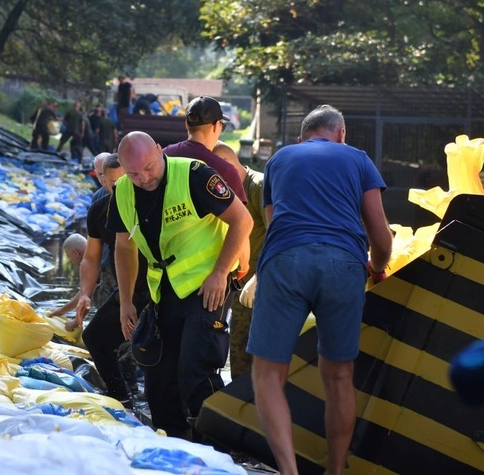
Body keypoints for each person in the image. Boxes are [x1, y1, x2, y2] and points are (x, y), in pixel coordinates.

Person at [248, 105, 392, 475]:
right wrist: (376, 270)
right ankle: (336, 470)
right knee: (340, 375)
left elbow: (274, 224)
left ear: (302, 138)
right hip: (344, 265)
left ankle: (289, 470)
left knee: (267, 374)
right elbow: (381, 235)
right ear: (341, 133)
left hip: (285, 261)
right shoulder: (358, 159)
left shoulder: (279, 160)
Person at [107, 131, 253, 439]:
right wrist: (125, 302)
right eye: (134, 173)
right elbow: (124, 247)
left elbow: (243, 221)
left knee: (195, 369)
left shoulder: (194, 175)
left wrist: (220, 272)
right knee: (159, 376)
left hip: (207, 286)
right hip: (164, 289)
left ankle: (215, 446)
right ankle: (172, 442)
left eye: (149, 167)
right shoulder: (122, 191)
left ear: (160, 151)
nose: (144, 178)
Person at [67, 154, 150, 407]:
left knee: (152, 348)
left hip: (162, 287)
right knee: (95, 337)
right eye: (111, 183)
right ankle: (120, 397)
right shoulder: (99, 210)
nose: (117, 188)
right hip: (129, 290)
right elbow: (91, 258)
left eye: (122, 180)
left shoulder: (149, 202)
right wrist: (84, 293)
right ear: (103, 181)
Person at [212, 142, 267, 380]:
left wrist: (261, 275)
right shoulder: (227, 192)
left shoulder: (258, 186)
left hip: (261, 281)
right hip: (239, 282)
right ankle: (238, 406)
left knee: (260, 352)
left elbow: (277, 231)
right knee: (238, 348)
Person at [164, 96, 247, 205]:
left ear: (187, 124)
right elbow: (243, 220)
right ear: (216, 125)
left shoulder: (164, 156)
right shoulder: (225, 170)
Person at [47, 233, 88, 328]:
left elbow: (89, 295)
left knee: (90, 337)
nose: (70, 260)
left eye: (69, 256)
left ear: (76, 253)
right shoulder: (97, 250)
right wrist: (61, 310)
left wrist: (76, 321)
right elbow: (84, 292)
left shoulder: (89, 262)